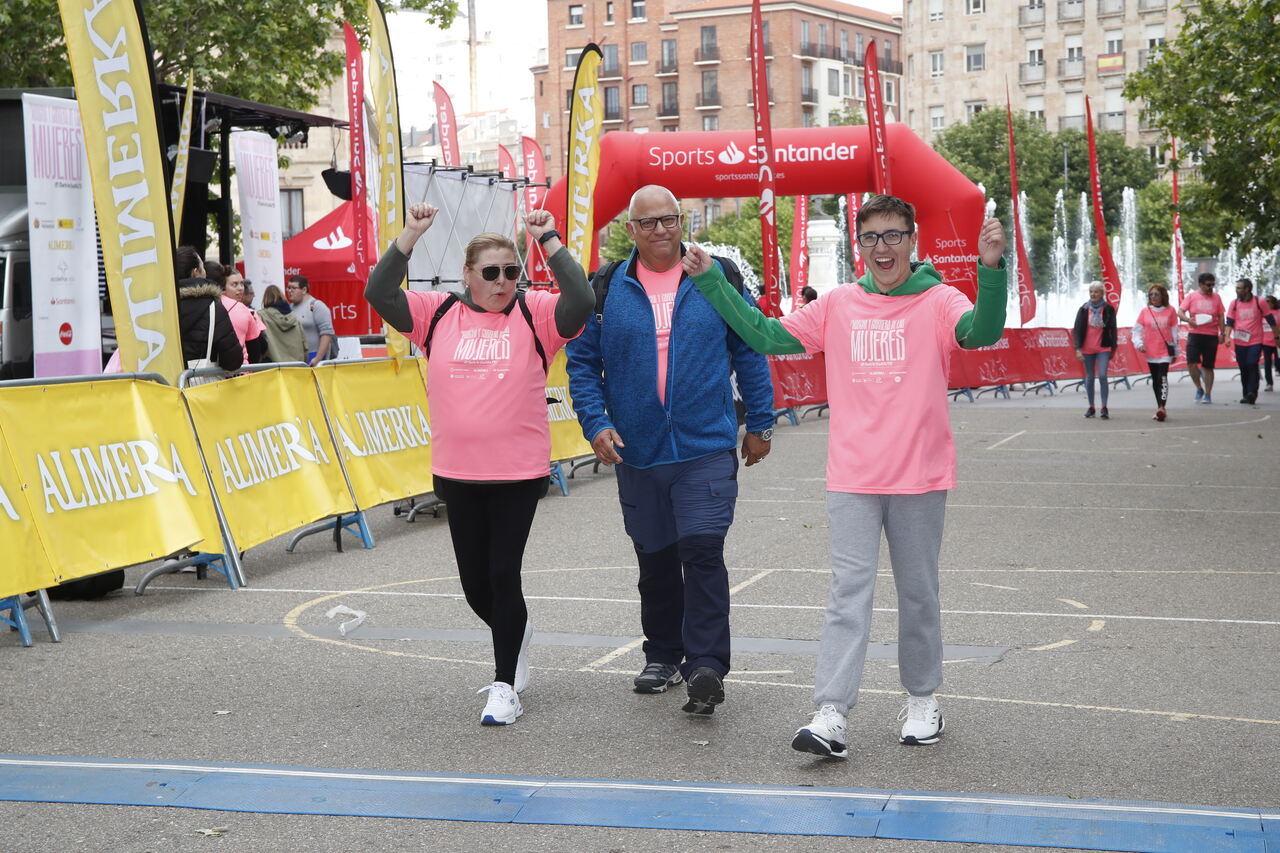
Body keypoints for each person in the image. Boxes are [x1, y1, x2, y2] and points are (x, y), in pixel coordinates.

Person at [684, 193, 1006, 758]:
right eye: (871, 237)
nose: (883, 248)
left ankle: (922, 698)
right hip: (853, 476)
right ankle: (831, 712)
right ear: (860, 246)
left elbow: (981, 332)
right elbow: (765, 336)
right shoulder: (837, 304)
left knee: (919, 593)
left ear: (913, 240)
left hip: (920, 475)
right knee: (847, 596)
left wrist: (992, 269)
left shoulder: (938, 299)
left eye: (894, 235)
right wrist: (713, 280)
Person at [364, 204, 593, 726]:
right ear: (468, 275)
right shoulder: (437, 311)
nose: (502, 282)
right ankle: (515, 635)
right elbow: (379, 293)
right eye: (490, 273)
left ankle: (505, 685)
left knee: (501, 572)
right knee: (475, 586)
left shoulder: (535, 311)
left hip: (517, 471)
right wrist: (410, 236)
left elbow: (581, 298)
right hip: (457, 469)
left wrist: (547, 239)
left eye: (511, 271)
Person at [566, 185, 775, 717]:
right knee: (654, 557)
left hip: (704, 444)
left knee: (703, 550)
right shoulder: (608, 286)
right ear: (630, 231)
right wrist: (596, 423)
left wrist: (762, 422)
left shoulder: (714, 274)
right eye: (650, 222)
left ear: (683, 223)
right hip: (637, 449)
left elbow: (750, 344)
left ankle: (706, 665)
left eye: (671, 220)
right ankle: (662, 653)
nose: (662, 230)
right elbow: (583, 363)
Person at [175, 247, 242, 373]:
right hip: (201, 386)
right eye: (203, 267)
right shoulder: (213, 307)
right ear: (195, 272)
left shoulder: (159, 308)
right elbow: (233, 360)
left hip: (162, 387)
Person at [1224, 278, 1280, 405]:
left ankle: (1252, 393)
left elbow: (1271, 321)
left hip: (1255, 340)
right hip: (1239, 341)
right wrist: (1227, 337)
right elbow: (1230, 322)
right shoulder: (1234, 303)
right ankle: (1246, 394)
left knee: (1251, 363)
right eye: (1236, 287)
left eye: (1239, 288)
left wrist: (1277, 337)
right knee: (1243, 367)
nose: (1236, 290)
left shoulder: (1259, 302)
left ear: (1247, 289)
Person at [1132, 283, 1179, 421]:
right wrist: (1139, 344)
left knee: (1162, 377)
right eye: (1151, 294)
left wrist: (1175, 351)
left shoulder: (1171, 311)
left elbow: (1174, 332)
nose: (1153, 297)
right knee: (1155, 379)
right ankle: (1159, 406)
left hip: (1165, 351)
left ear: (1163, 295)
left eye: (1156, 294)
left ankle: (1162, 407)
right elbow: (1136, 330)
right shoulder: (1145, 311)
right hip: (1150, 351)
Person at [1177, 272, 1225, 404]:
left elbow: (1221, 316)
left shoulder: (1217, 297)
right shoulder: (1192, 296)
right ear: (1200, 285)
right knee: (1191, 363)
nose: (1211, 288)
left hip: (1211, 335)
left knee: (1208, 366)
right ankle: (1199, 388)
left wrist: (1223, 333)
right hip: (1195, 334)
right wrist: (1188, 320)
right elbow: (1180, 312)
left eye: (1213, 285)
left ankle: (1208, 394)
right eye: (1208, 285)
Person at [1072, 282, 1118, 419]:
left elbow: (1113, 329)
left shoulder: (1109, 309)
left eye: (1096, 292)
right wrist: (1078, 349)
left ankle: (1104, 407)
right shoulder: (1084, 309)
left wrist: (1114, 347)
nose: (1093, 294)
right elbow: (1077, 330)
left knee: (1103, 376)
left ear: (1102, 293)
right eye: (1091, 292)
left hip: (1103, 347)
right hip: (1087, 349)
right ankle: (1091, 406)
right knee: (1090, 378)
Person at [287, 275, 337, 365]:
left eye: (294, 288)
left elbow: (327, 334)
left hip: (314, 356)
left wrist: (318, 358)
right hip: (296, 358)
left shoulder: (317, 306)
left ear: (304, 290)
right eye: (288, 288)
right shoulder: (289, 308)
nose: (290, 291)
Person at [222, 269, 267, 364]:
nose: (240, 288)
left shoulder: (250, 312)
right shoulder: (246, 311)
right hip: (240, 369)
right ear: (223, 287)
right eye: (234, 284)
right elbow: (258, 348)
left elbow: (260, 346)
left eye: (241, 284)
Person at [258, 284, 308, 363]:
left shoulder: (261, 316)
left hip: (274, 368)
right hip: (297, 367)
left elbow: (260, 344)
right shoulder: (294, 318)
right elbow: (305, 345)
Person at [1263, 295, 1279, 393]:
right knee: (1267, 364)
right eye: (1265, 301)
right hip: (1265, 342)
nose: (1266, 303)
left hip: (1277, 342)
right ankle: (1269, 383)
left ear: (1273, 302)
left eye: (1268, 301)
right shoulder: (1262, 314)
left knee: (1278, 362)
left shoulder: (1278, 313)